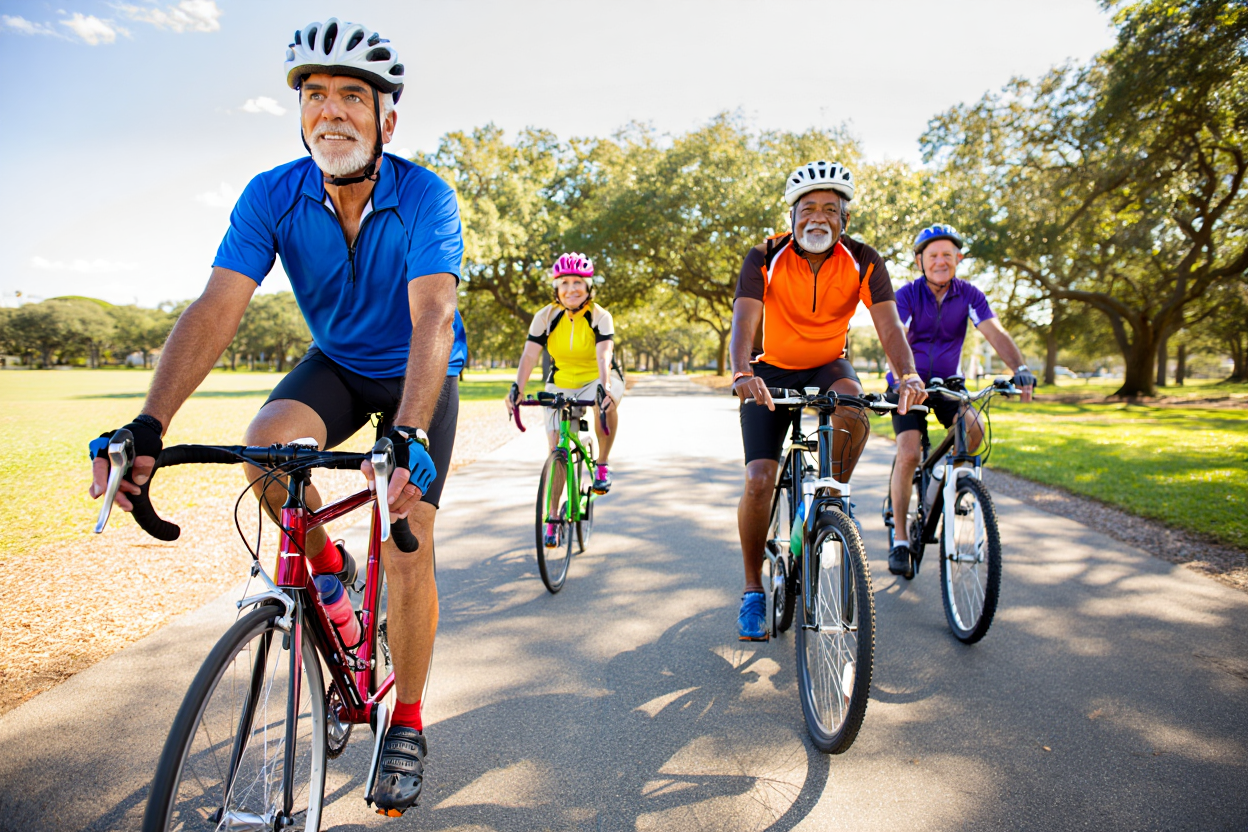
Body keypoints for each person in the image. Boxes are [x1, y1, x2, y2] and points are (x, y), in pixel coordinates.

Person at [87, 17, 464, 815]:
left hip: (414, 375)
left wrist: (408, 432)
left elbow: (432, 315)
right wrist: (149, 423)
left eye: (353, 96)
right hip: (336, 363)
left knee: (409, 540)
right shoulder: (272, 194)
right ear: (300, 115)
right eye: (316, 95)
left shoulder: (425, 195)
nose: (332, 110)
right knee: (265, 453)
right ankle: (329, 574)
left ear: (386, 119)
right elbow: (220, 305)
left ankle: (408, 720)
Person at [729, 160, 928, 641]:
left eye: (830, 210)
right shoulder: (764, 255)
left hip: (827, 365)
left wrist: (909, 374)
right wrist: (741, 370)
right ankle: (753, 590)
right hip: (769, 369)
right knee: (759, 480)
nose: (818, 217)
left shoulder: (864, 259)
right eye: (808, 208)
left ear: (844, 220)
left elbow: (887, 324)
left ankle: (833, 494)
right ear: (792, 214)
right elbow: (744, 318)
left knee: (853, 401)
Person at [885, 224, 1036, 579]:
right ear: (920, 261)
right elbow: (893, 336)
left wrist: (1021, 367)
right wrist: (905, 376)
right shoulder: (906, 295)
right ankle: (902, 540)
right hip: (908, 384)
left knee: (975, 428)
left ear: (958, 260)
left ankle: (944, 481)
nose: (941, 261)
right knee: (909, 453)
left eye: (947, 255)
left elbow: (994, 331)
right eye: (933, 255)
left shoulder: (970, 295)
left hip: (948, 385)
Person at [506, 253, 624, 547]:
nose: (572, 289)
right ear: (556, 288)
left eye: (578, 283)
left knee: (603, 403)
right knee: (556, 449)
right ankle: (552, 516)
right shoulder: (545, 316)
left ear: (589, 286)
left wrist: (605, 386)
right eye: (565, 283)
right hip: (560, 382)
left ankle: (602, 464)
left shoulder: (600, 315)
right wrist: (517, 388)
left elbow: (604, 354)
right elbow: (530, 355)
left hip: (597, 376)